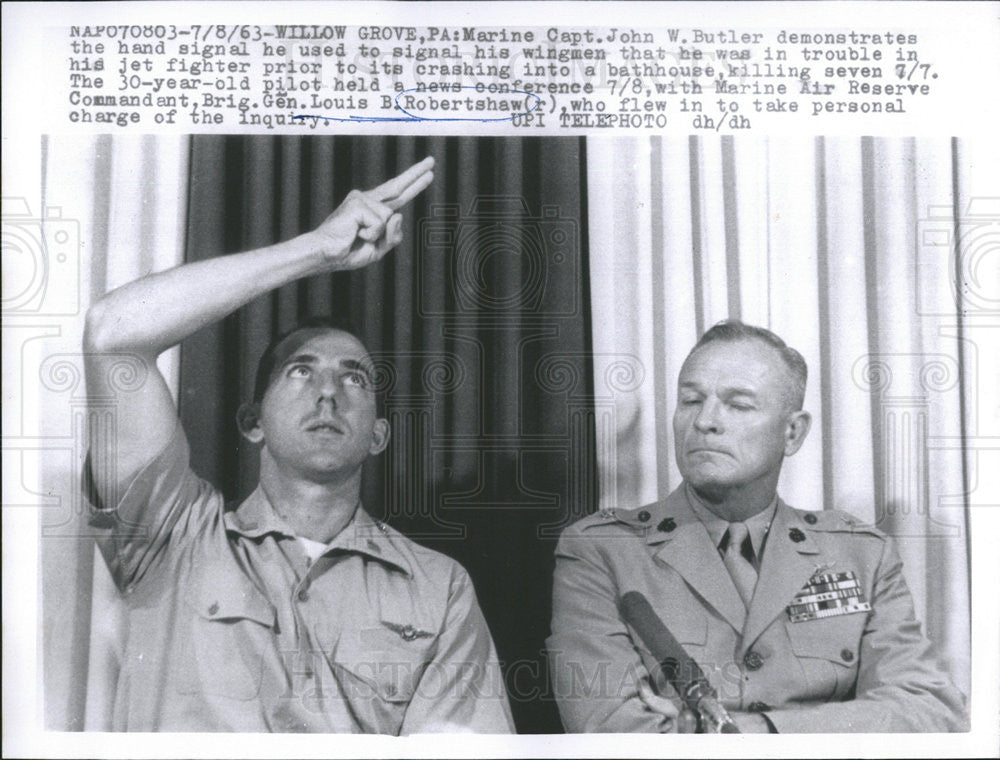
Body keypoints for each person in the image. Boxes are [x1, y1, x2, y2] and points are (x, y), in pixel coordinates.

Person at [83, 157, 515, 733]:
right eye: (300, 372)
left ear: (379, 435)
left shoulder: (439, 589)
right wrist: (317, 250)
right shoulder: (170, 536)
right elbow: (113, 333)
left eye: (354, 378)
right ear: (252, 420)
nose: (329, 392)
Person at [547, 320, 967, 733]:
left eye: (738, 405)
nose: (705, 421)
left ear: (792, 433)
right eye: (691, 400)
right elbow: (612, 730)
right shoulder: (603, 551)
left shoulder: (861, 556)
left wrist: (756, 731)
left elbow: (929, 708)